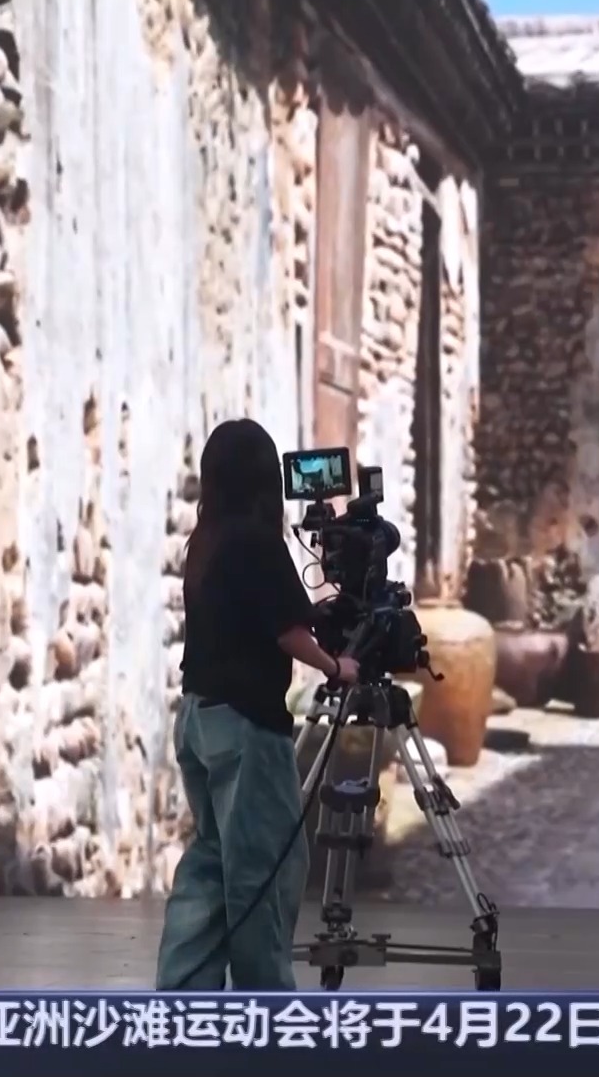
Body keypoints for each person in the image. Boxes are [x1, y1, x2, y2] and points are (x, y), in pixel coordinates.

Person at [155, 418, 359, 991]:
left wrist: (312, 623)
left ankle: (183, 992)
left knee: (212, 861)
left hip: (198, 719)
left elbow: (256, 616)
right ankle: (264, 1006)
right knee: (265, 870)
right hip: (245, 728)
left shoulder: (207, 541)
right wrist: (336, 667)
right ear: (266, 479)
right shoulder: (257, 542)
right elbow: (287, 631)